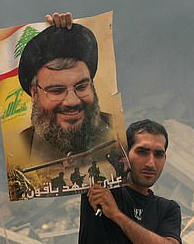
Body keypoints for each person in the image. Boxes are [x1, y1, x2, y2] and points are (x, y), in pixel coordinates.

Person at [48, 13, 181, 244]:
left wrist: (117, 216)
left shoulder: (166, 209)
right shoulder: (98, 182)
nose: (150, 162)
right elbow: (71, 122)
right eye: (142, 151)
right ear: (125, 152)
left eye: (158, 154)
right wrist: (61, 37)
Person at [17, 13, 120, 173]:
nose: (72, 101)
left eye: (81, 87)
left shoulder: (118, 132)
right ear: (35, 93)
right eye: (57, 91)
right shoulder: (17, 150)